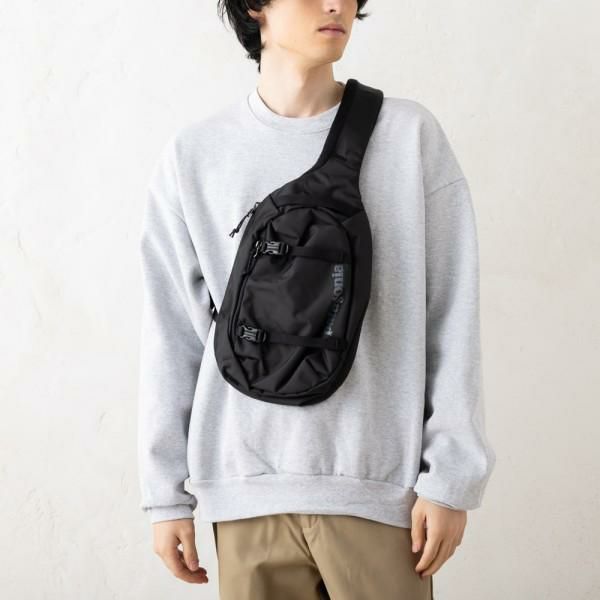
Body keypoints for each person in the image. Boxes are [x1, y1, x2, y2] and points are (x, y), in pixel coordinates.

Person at [136, 1, 496, 598]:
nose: (336, 4)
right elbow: (172, 336)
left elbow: (451, 313)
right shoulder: (195, 155)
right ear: (255, 6)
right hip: (245, 490)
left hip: (381, 491)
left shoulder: (408, 137)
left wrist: (451, 478)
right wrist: (164, 495)